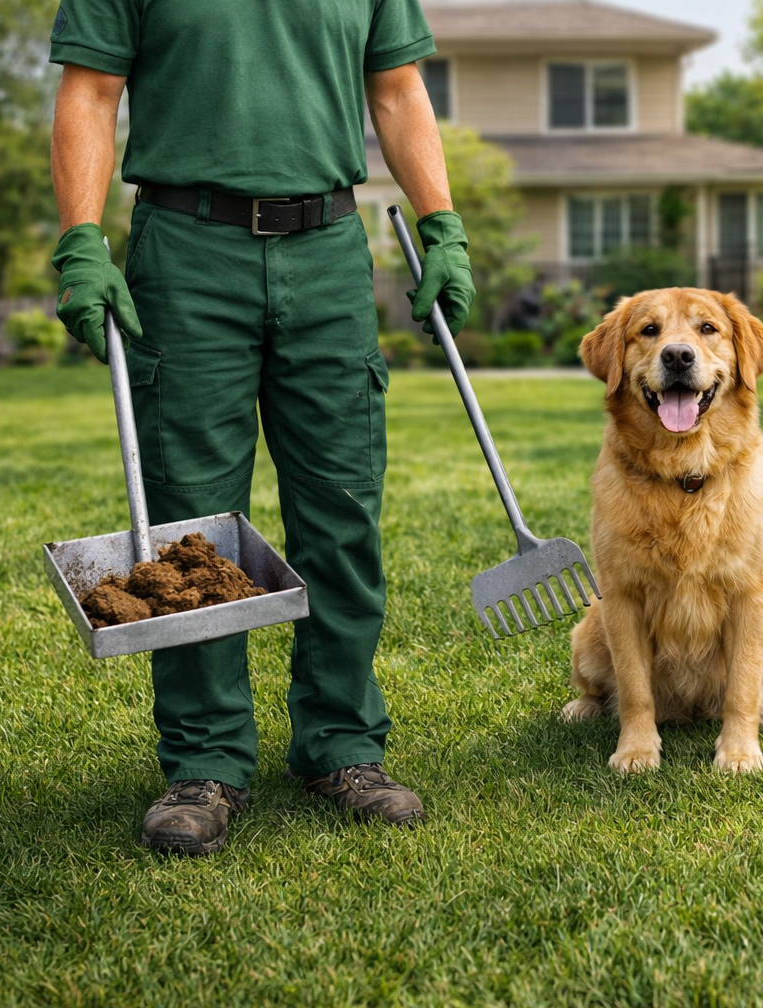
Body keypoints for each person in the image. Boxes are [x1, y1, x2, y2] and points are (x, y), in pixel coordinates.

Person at [48, 0, 474, 855]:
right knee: (192, 523)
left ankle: (341, 745)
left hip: (328, 254)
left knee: (341, 507)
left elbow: (396, 89)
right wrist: (81, 241)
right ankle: (206, 762)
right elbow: (90, 90)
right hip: (187, 247)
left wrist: (443, 225)